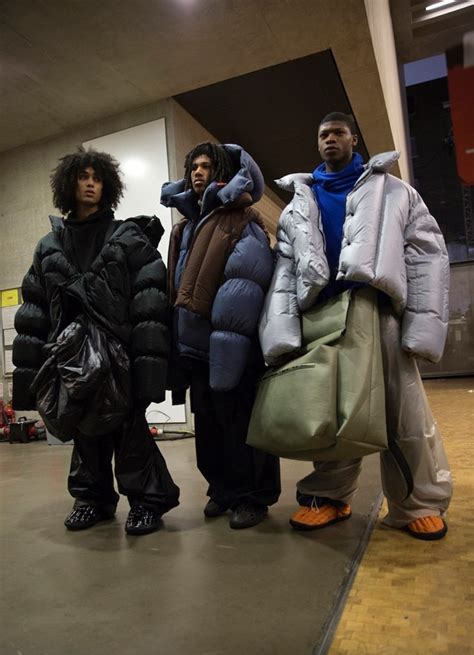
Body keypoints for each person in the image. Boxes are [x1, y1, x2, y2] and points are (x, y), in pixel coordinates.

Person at [259, 112, 452, 541]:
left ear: (353, 138)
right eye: (323, 134)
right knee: (331, 410)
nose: (330, 140)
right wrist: (281, 331)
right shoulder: (298, 205)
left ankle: (415, 503)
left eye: (337, 133)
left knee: (403, 413)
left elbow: (427, 255)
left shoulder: (395, 191)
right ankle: (328, 498)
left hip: (378, 310)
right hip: (324, 316)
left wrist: (422, 324)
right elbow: (286, 272)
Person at [12, 147, 180, 535]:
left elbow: (150, 303)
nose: (89, 183)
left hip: (118, 351)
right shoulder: (48, 245)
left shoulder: (127, 237)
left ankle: (147, 502)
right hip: (68, 356)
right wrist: (27, 383)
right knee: (84, 430)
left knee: (129, 431)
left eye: (96, 177)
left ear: (107, 186)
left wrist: (151, 369)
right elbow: (33, 313)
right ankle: (92, 499)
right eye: (82, 176)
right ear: (68, 184)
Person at [161, 142, 280, 529]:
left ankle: (253, 497)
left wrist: (226, 347)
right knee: (209, 427)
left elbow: (244, 282)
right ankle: (223, 489)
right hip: (197, 347)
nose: (198, 173)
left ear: (222, 172)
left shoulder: (240, 219)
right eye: (193, 167)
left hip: (233, 346)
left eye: (207, 166)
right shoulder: (185, 227)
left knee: (241, 423)